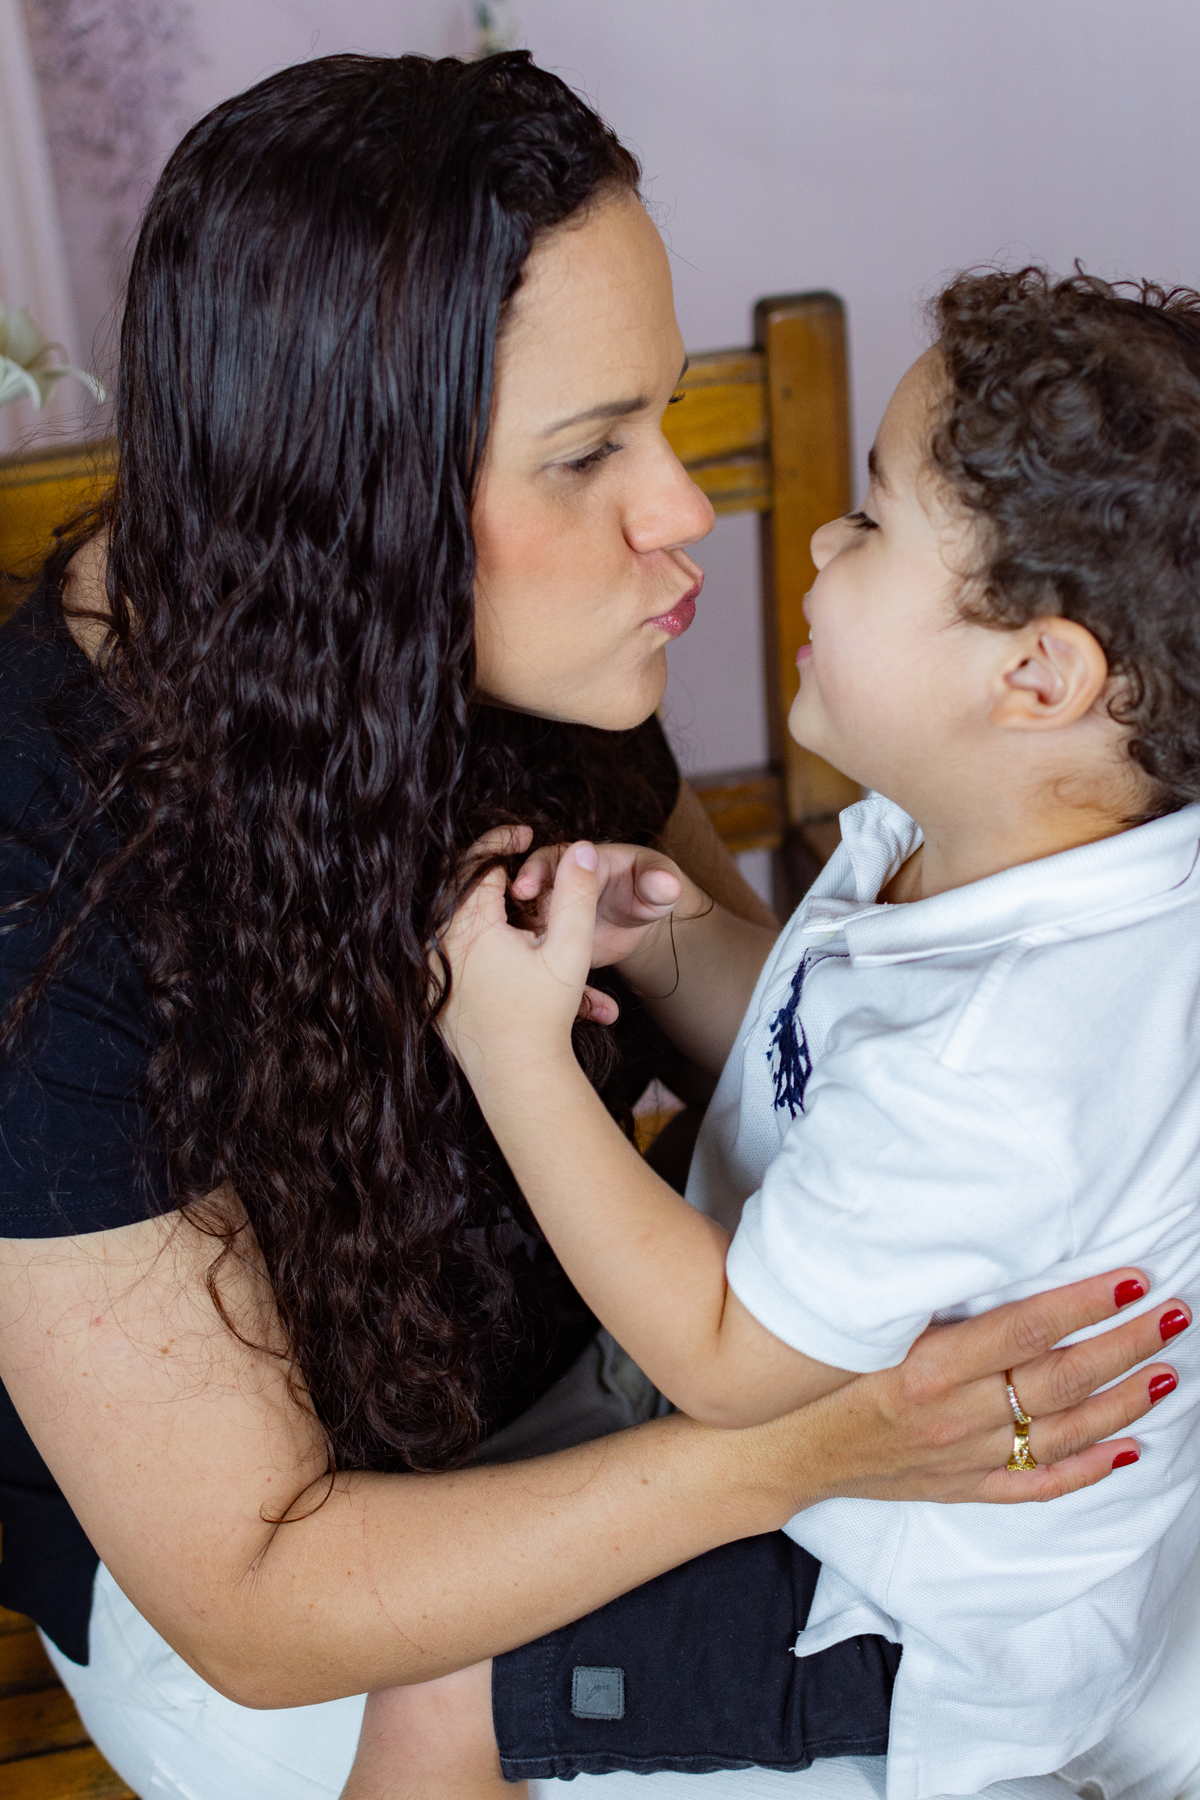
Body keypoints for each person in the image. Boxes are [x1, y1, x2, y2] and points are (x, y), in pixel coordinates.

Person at [0, 54, 1178, 1800]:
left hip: (661, 1396)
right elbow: (256, 1605)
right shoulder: (41, 865)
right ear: (359, 501)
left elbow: (797, 1050)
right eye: (588, 452)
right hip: (338, 1608)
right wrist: (810, 1445)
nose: (685, 509)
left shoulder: (517, 637)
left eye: (663, 413)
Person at [438, 268, 1200, 1798]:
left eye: (868, 521)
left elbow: (728, 1362)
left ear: (1034, 674)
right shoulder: (1008, 849)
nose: (816, 549)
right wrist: (667, 943)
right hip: (891, 1486)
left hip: (905, 1616)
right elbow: (814, 1058)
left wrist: (510, 1057)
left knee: (437, 1683)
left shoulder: (1000, 1062)